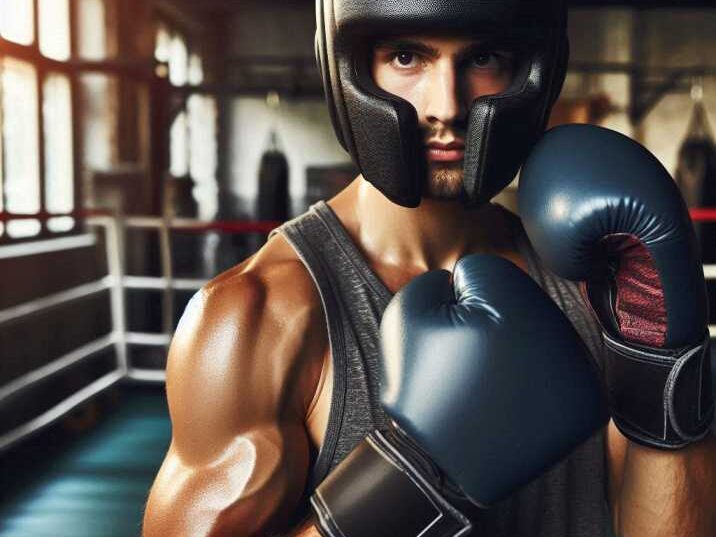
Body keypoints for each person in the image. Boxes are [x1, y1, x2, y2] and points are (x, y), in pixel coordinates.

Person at [142, 1, 716, 536]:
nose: (447, 105)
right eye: (406, 56)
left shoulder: (598, 287)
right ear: (346, 68)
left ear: (534, 70)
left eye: (483, 59)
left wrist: (665, 370)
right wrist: (411, 482)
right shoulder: (255, 317)